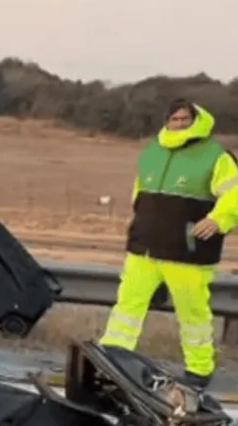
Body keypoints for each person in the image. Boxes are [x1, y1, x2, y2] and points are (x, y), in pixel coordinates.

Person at [99, 99, 238, 389]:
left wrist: (219, 220)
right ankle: (111, 358)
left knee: (193, 313)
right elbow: (140, 193)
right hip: (144, 248)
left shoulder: (215, 156)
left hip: (187, 252)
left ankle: (199, 370)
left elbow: (235, 194)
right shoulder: (153, 151)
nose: (178, 124)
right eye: (173, 119)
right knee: (127, 306)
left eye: (184, 118)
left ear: (196, 120)